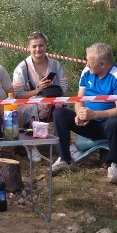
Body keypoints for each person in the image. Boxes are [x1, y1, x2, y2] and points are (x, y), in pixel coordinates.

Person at [50, 43, 117, 184]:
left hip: (111, 125)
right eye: (86, 60)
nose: (86, 63)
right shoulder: (86, 71)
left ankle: (114, 164)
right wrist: (79, 114)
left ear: (102, 64)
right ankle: (64, 159)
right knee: (59, 114)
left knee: (115, 121)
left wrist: (94, 114)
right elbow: (78, 99)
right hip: (90, 122)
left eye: (90, 61)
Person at [12, 32, 69, 163]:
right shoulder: (22, 68)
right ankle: (29, 145)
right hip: (28, 104)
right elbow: (18, 94)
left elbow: (64, 88)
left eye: (41, 45)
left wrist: (52, 90)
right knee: (42, 106)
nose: (38, 49)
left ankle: (62, 143)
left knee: (62, 107)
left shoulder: (55, 65)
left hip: (52, 100)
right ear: (29, 48)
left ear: (46, 46)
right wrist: (38, 90)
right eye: (34, 46)